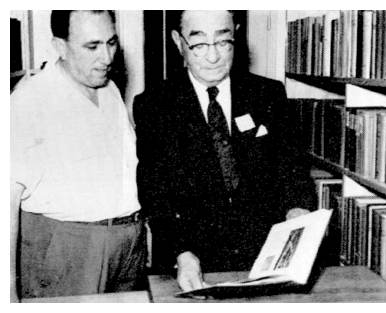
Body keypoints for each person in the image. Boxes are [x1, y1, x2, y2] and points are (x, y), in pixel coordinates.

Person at [133, 10, 315, 292]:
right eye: (199, 44)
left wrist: (298, 211)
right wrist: (182, 253)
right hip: (190, 264)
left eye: (223, 41)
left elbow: (293, 170)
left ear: (236, 35)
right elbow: (155, 193)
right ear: (178, 41)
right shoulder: (154, 105)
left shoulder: (269, 94)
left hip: (265, 259)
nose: (213, 56)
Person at [10, 10, 146, 302]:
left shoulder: (108, 88)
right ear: (60, 46)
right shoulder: (30, 99)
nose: (107, 57)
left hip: (127, 247)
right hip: (69, 252)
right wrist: (6, 288)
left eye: (111, 43)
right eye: (92, 46)